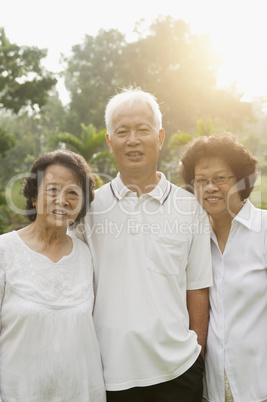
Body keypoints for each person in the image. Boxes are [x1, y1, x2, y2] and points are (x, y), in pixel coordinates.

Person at [70, 87, 213, 402]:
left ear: (160, 137)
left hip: (178, 372)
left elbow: (198, 289)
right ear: (110, 142)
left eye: (143, 130)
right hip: (107, 373)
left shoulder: (190, 208)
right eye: (122, 132)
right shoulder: (88, 208)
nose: (132, 140)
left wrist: (197, 355)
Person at [0, 149, 106, 402]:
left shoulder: (88, 255)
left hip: (83, 394)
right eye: (52, 189)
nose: (62, 199)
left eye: (73, 192)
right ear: (34, 197)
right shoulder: (5, 251)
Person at [179, 132, 267, 402]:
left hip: (258, 386)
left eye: (220, 178)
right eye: (201, 181)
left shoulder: (263, 230)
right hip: (211, 391)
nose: (210, 188)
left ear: (242, 180)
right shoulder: (192, 238)